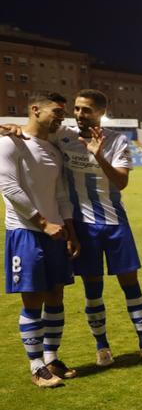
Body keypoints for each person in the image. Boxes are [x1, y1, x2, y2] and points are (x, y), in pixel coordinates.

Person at [58, 89, 142, 368]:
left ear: (100, 112)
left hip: (115, 224)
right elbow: (34, 130)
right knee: (93, 289)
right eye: (77, 109)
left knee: (132, 285)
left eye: (86, 109)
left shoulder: (117, 142)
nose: (80, 114)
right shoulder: (63, 136)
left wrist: (98, 154)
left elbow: (121, 182)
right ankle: (102, 347)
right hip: (84, 228)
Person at [1, 92, 79, 387]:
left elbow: (60, 194)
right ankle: (36, 367)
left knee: (56, 299)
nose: (61, 116)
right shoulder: (11, 142)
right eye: (57, 111)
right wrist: (43, 223)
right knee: (33, 300)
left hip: (55, 232)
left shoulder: (54, 149)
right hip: (26, 232)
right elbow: (8, 186)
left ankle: (51, 359)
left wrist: (68, 230)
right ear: (35, 109)